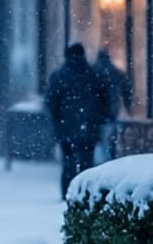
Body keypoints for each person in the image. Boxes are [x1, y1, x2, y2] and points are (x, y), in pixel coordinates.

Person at [46, 43, 109, 198]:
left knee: (68, 163)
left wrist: (57, 121)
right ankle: (86, 193)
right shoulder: (94, 74)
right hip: (89, 127)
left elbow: (51, 102)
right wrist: (98, 119)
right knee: (87, 162)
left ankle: (67, 193)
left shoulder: (59, 76)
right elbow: (105, 102)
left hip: (66, 128)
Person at [93, 49, 133, 161]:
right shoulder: (115, 72)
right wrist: (128, 106)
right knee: (110, 140)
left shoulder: (93, 72)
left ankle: (102, 162)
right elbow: (126, 89)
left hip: (96, 115)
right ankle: (109, 159)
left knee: (100, 141)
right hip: (111, 113)